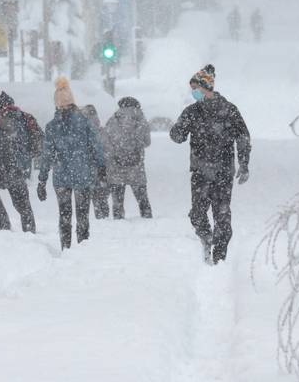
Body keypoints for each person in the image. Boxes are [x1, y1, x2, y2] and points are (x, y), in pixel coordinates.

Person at [170, 64, 251, 264]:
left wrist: (244, 163)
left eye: (195, 89)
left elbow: (243, 137)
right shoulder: (192, 111)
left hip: (223, 171)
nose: (193, 93)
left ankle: (220, 256)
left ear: (205, 87)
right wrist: (178, 129)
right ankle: (207, 238)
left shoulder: (229, 110)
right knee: (197, 214)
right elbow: (177, 136)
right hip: (200, 170)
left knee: (222, 215)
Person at [37, 78, 106, 250]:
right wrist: (101, 167)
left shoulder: (52, 126)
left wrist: (42, 180)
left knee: (64, 215)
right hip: (82, 174)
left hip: (61, 176)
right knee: (83, 215)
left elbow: (46, 155)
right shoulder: (85, 122)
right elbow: (96, 146)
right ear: (72, 101)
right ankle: (82, 248)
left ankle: (65, 248)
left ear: (56, 103)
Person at [0, 86, 36, 233]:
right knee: (21, 201)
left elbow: (7, 142)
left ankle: (6, 226)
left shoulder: (7, 114)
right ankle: (28, 231)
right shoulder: (11, 112)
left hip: (12, 164)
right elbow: (6, 142)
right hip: (17, 164)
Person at [104, 96, 153, 219]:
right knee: (142, 198)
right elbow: (147, 142)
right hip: (136, 166)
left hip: (116, 166)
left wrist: (116, 152)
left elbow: (105, 142)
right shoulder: (141, 120)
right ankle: (147, 219)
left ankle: (118, 221)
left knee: (117, 202)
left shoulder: (113, 120)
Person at [80, 104, 110, 219]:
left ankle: (100, 215)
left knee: (96, 195)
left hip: (91, 167)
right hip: (104, 168)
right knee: (102, 194)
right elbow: (107, 149)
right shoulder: (103, 131)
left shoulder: (82, 131)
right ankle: (103, 215)